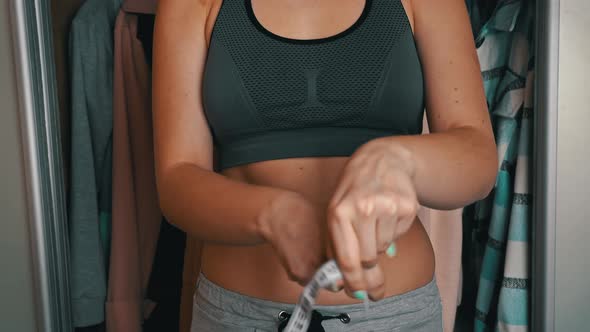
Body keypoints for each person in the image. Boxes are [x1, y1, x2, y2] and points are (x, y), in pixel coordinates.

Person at [151, 0, 497, 330]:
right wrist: (269, 213)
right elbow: (176, 178)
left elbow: (478, 156)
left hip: (395, 317)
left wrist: (398, 159)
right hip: (238, 317)